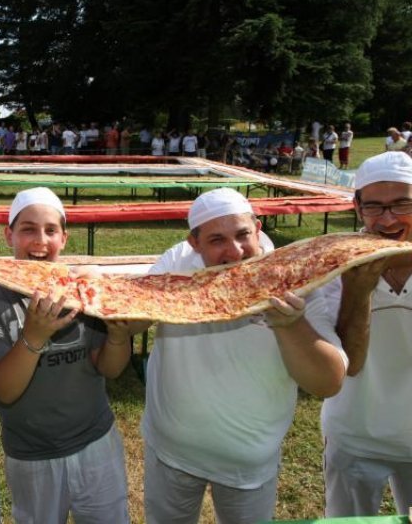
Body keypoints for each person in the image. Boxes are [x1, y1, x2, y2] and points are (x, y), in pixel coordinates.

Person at [141, 188, 348, 524]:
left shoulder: (295, 280)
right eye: (217, 240)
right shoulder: (177, 262)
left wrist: (291, 326)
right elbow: (136, 309)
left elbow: (327, 382)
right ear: (194, 244)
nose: (235, 252)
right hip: (170, 450)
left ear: (259, 228)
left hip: (249, 462)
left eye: (242, 235)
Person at [0, 187, 138, 523]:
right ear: (9, 235)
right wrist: (34, 335)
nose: (40, 240)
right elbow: (4, 391)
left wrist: (119, 338)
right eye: (28, 229)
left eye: (51, 230)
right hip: (32, 454)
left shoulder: (84, 290)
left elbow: (108, 369)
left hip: (96, 441)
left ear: (64, 238)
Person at [320, 151, 412, 517]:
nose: (388, 219)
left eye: (402, 203)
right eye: (374, 207)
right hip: (354, 432)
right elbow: (349, 364)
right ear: (358, 208)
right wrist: (357, 292)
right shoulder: (332, 268)